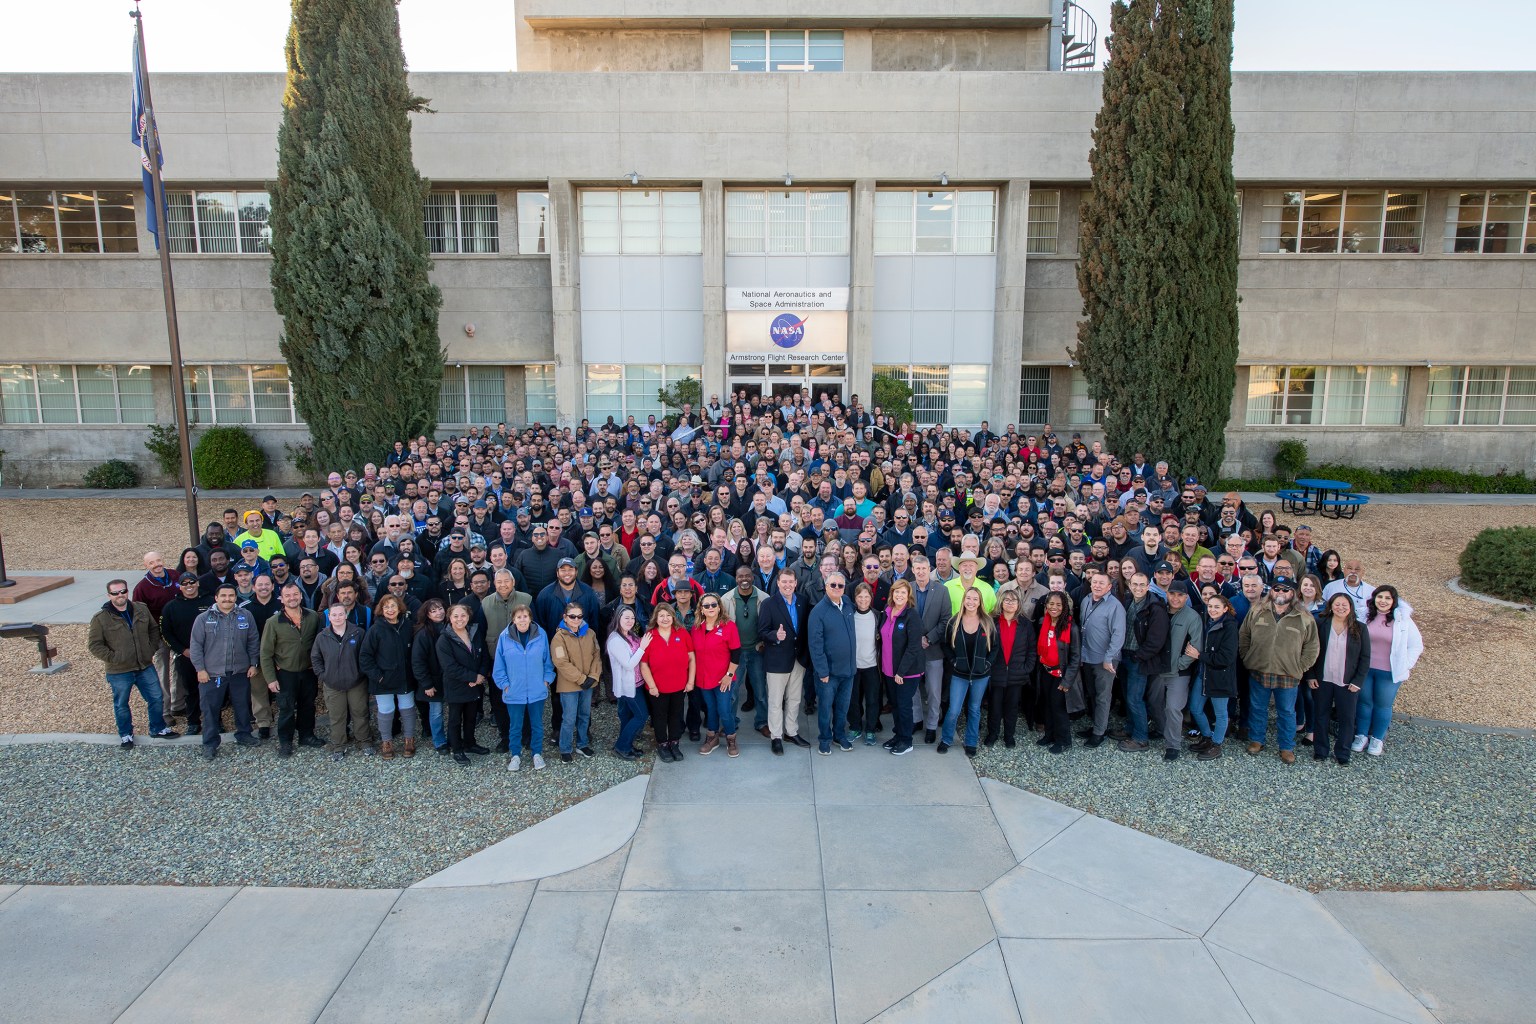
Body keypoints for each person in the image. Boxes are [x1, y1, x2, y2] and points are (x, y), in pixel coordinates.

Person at [87, 579, 179, 749]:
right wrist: (115, 658)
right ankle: (126, 734)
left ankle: (158, 728)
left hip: (144, 665)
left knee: (156, 697)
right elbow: (94, 645)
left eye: (123, 591)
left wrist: (150, 648)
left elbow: (153, 629)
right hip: (119, 670)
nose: (120, 595)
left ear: (127, 592)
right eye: (115, 593)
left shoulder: (141, 609)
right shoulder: (100, 619)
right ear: (109, 595)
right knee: (121, 704)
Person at [1239, 577, 1320, 764]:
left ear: (1292, 593)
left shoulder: (1304, 617)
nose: (1280, 593)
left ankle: (1286, 747)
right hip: (1259, 670)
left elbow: (1312, 647)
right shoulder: (1258, 611)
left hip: (1288, 674)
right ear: (1271, 591)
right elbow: (1244, 635)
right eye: (1277, 589)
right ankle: (1257, 740)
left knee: (1286, 712)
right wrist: (1248, 657)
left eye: (1285, 590)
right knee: (1258, 708)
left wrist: (1300, 667)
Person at [187, 583, 261, 760]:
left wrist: (253, 664)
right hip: (212, 673)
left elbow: (253, 641)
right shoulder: (203, 618)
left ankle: (244, 734)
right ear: (216, 598)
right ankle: (210, 743)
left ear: (236, 598)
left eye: (231, 596)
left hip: (240, 671)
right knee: (210, 709)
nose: (227, 599)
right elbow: (196, 646)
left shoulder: (246, 615)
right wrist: (200, 669)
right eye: (224, 596)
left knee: (242, 705)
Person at [1353, 585, 1424, 758]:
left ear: (1394, 601)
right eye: (1379, 597)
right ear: (1374, 599)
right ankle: (1361, 736)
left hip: (1389, 672)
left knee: (1383, 705)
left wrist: (1405, 664)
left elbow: (1416, 645)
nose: (1383, 601)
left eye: (1387, 598)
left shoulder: (1403, 619)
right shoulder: (1364, 616)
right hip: (1365, 670)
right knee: (1364, 703)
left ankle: (1377, 738)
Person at [260, 581, 324, 757]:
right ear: (282, 598)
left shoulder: (312, 617)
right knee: (287, 709)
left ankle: (307, 735)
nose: (292, 598)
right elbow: (265, 653)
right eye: (287, 595)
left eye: (295, 594)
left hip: (308, 671)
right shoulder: (273, 622)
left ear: (301, 596)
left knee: (308, 706)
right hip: (285, 674)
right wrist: (270, 679)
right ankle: (286, 742)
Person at [1305, 593, 1370, 766]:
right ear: (1331, 606)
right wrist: (1310, 675)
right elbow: (1311, 651)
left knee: (1347, 718)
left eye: (1344, 605)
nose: (1341, 608)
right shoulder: (1320, 624)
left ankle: (1343, 752)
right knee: (1321, 715)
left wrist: (1358, 681)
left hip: (1347, 682)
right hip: (1322, 679)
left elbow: (1365, 658)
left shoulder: (1360, 628)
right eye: (1337, 604)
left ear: (1351, 607)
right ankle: (1321, 750)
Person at [492, 604, 554, 772]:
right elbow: (499, 666)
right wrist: (505, 685)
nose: (522, 620)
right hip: (514, 691)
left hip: (536, 690)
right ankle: (516, 755)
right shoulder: (504, 637)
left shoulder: (541, 635)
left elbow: (547, 662)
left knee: (537, 724)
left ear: (530, 618)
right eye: (518, 617)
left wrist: (546, 680)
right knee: (515, 725)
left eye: (525, 616)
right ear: (513, 619)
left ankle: (537, 753)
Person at [758, 568, 811, 754]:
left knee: (795, 698)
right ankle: (776, 736)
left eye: (791, 581)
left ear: (796, 583)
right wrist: (775, 635)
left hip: (798, 659)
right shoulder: (768, 604)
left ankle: (791, 731)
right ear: (778, 583)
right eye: (784, 582)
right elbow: (762, 632)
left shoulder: (803, 602)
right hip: (777, 660)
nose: (788, 585)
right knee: (775, 700)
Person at [1117, 573, 1169, 754]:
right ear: (1129, 585)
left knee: (1135, 698)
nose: (1138, 588)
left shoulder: (1155, 608)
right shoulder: (1127, 601)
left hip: (1139, 659)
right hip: (1124, 655)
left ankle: (1141, 738)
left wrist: (1139, 656)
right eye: (1135, 584)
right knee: (1127, 697)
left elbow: (1156, 640)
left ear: (1148, 586)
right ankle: (1130, 728)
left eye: (1142, 585)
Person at [360, 593, 417, 759]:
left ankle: (409, 739)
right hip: (383, 679)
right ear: (381, 610)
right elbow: (365, 657)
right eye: (386, 607)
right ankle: (387, 742)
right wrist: (378, 676)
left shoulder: (408, 626)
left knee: (407, 709)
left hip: (405, 677)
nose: (390, 610)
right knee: (386, 711)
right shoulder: (375, 630)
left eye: (393, 606)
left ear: (399, 608)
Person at [940, 587, 995, 757]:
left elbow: (995, 648)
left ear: (980, 602)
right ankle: (946, 739)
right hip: (959, 674)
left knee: (974, 709)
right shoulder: (954, 621)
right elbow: (945, 645)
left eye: (975, 599)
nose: (971, 602)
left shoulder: (987, 622)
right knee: (954, 709)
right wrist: (953, 661)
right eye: (968, 598)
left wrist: (987, 664)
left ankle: (971, 742)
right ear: (964, 600)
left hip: (980, 675)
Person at [807, 571, 857, 755]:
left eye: (840, 585)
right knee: (826, 709)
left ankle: (839, 735)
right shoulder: (818, 612)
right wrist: (822, 672)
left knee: (842, 707)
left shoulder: (848, 605)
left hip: (848, 670)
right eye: (833, 585)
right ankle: (825, 739)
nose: (837, 588)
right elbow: (815, 644)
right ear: (826, 586)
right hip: (828, 673)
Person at [311, 603, 369, 761]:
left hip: (356, 682)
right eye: (334, 615)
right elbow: (315, 658)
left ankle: (364, 741)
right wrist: (323, 676)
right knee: (337, 716)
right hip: (332, 684)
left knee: (360, 713)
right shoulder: (322, 637)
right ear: (328, 617)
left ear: (346, 615)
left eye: (340, 614)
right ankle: (339, 745)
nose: (337, 617)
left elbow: (365, 655)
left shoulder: (358, 633)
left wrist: (360, 674)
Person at [1075, 570, 1126, 748]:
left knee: (1103, 697)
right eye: (1094, 582)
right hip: (1087, 657)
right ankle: (1096, 725)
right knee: (1092, 694)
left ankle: (1099, 732)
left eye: (1101, 583)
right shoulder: (1086, 600)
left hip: (1105, 660)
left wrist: (1109, 658)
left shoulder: (1115, 606)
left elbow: (1118, 635)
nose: (1096, 586)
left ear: (1109, 587)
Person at [436, 602, 492, 765]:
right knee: (455, 719)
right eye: (456, 616)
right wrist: (473, 677)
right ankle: (457, 749)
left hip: (476, 684)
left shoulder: (475, 633)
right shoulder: (444, 639)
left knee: (471, 717)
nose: (460, 619)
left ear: (468, 617)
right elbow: (449, 667)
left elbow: (483, 656)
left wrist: (480, 675)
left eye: (463, 615)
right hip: (457, 685)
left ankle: (470, 743)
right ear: (449, 618)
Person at [640, 603, 695, 763]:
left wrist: (690, 681)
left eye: (668, 615)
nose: (665, 619)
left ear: (673, 617)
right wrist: (652, 686)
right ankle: (662, 744)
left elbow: (691, 658)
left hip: (679, 686)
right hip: (657, 688)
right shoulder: (650, 636)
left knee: (676, 716)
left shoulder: (682, 633)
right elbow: (644, 665)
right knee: (659, 717)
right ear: (656, 618)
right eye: (661, 616)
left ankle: (674, 743)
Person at [549, 601, 603, 763]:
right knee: (569, 717)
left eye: (579, 616)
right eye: (572, 616)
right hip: (569, 685)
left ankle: (582, 743)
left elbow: (596, 655)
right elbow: (561, 662)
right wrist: (581, 678)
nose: (576, 619)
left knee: (585, 715)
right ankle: (565, 748)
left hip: (588, 683)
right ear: (565, 617)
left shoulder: (590, 633)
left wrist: (593, 676)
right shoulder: (559, 637)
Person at [877, 579, 926, 756]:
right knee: (895, 705)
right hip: (889, 670)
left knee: (904, 706)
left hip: (906, 672)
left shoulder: (912, 616)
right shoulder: (887, 612)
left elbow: (914, 647)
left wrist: (901, 672)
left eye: (903, 593)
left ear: (908, 595)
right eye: (896, 592)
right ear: (892, 593)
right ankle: (898, 735)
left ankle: (906, 741)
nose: (899, 595)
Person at [160, 572, 212, 733]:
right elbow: (165, 632)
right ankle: (193, 722)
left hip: (210, 655)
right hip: (186, 655)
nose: (189, 586)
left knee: (212, 690)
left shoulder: (210, 602)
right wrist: (182, 650)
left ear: (197, 583)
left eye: (192, 582)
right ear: (180, 586)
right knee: (190, 690)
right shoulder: (171, 607)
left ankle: (215, 720)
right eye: (184, 583)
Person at [691, 594, 742, 756]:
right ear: (701, 609)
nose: (710, 608)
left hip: (723, 679)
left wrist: (729, 674)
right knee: (711, 709)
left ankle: (731, 738)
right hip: (704, 678)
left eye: (714, 604)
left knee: (724, 710)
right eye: (706, 606)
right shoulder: (696, 628)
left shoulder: (729, 626)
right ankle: (712, 738)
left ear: (719, 607)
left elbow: (736, 653)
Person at [719, 566, 768, 737]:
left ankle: (762, 722)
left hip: (756, 651)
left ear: (753, 578)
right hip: (735, 654)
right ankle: (731, 722)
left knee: (761, 691)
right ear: (736, 578)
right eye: (740, 576)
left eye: (748, 576)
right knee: (732, 692)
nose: (744, 579)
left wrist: (764, 643)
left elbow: (769, 624)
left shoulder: (764, 598)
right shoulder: (726, 599)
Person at [1033, 591, 1082, 754]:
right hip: (1045, 671)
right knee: (1046, 704)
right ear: (1046, 606)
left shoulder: (1071, 627)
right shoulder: (1042, 622)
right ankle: (1050, 735)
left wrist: (1067, 681)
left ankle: (1064, 740)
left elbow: (1075, 657)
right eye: (1051, 604)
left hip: (1061, 674)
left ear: (1064, 607)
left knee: (1058, 707)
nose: (1054, 608)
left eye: (1058, 605)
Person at [985, 588, 1035, 748]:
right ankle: (992, 734)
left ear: (1019, 603)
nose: (1010, 603)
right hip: (996, 672)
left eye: (1014, 600)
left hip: (1017, 673)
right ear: (1001, 602)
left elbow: (1032, 649)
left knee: (1012, 708)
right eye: (1007, 600)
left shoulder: (1025, 624)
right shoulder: (991, 621)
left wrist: (1027, 668)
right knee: (994, 707)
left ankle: (1009, 736)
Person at [1161, 582, 1204, 761]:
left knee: (1173, 707)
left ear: (1186, 597)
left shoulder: (1192, 617)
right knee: (1155, 704)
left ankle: (1173, 745)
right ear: (1167, 595)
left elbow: (1196, 645)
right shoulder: (1159, 611)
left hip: (1178, 672)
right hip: (1157, 669)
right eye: (1172, 594)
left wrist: (1180, 664)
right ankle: (1158, 732)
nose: (1175, 598)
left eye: (1180, 595)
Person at [132, 551, 180, 708]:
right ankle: (164, 707)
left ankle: (178, 704)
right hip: (159, 635)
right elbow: (138, 614)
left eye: (158, 560)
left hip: (179, 632)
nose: (157, 565)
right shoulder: (142, 587)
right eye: (152, 563)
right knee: (162, 670)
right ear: (146, 565)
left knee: (179, 668)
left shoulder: (175, 576)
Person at [911, 554, 949, 744]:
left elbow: (946, 620)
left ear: (929, 569)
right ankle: (916, 719)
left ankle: (932, 726)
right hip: (911, 649)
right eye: (917, 569)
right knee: (913, 689)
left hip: (933, 649)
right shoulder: (907, 589)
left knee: (934, 691)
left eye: (924, 568)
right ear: (913, 570)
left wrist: (929, 638)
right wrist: (915, 639)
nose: (920, 572)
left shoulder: (941, 591)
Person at [605, 606, 651, 760]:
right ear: (618, 618)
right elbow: (628, 664)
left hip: (637, 683)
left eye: (632, 618)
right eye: (626, 618)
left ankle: (626, 746)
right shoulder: (615, 640)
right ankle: (621, 747)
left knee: (627, 717)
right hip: (627, 686)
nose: (630, 621)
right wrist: (643, 648)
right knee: (641, 715)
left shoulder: (630, 635)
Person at [411, 599, 451, 754]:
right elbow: (418, 661)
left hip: (450, 678)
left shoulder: (450, 627)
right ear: (427, 615)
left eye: (440, 608)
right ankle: (439, 741)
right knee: (436, 712)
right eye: (433, 611)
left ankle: (454, 739)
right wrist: (426, 684)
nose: (438, 612)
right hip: (433, 681)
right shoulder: (423, 634)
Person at [847, 582, 882, 743]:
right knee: (853, 699)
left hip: (872, 666)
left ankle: (870, 729)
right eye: (860, 596)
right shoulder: (849, 615)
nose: (863, 600)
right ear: (855, 598)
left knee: (873, 699)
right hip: (853, 666)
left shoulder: (877, 615)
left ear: (871, 598)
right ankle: (855, 727)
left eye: (866, 596)